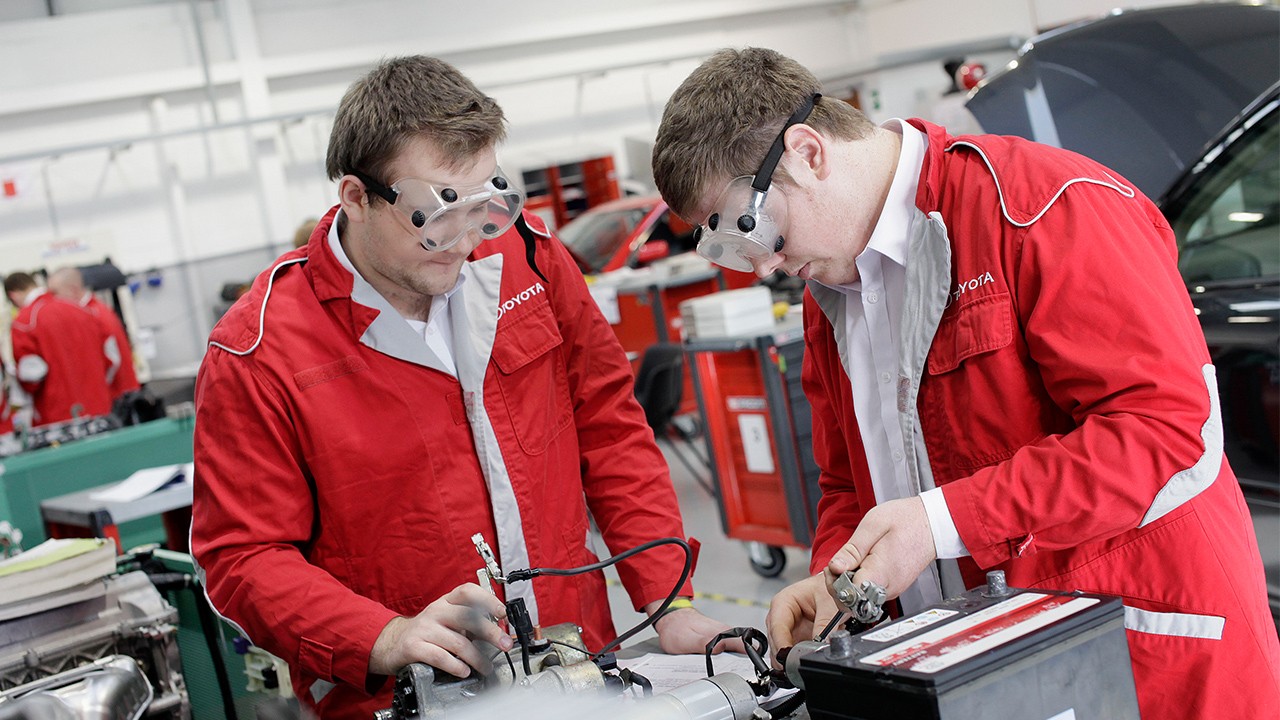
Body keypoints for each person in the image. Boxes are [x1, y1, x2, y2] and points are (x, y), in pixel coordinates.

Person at [651, 47, 1280, 718]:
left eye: (755, 228)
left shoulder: (1043, 208)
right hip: (1000, 673)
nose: (767, 263)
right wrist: (836, 575)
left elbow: (1161, 431)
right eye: (732, 251)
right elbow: (847, 482)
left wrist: (940, 521)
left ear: (808, 152)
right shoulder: (832, 294)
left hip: (1141, 659)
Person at [190, 56, 733, 718]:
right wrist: (384, 636)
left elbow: (609, 428)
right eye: (434, 213)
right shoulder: (261, 348)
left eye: (483, 204)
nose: (463, 240)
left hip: (579, 668)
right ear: (356, 198)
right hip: (406, 700)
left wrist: (666, 602)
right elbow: (244, 557)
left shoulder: (527, 262)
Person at [4, 272, 115, 427]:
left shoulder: (25, 322)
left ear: (13, 296)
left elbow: (31, 377)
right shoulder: (82, 310)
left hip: (58, 418)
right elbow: (112, 359)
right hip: (101, 411)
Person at [47, 266, 140, 401]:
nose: (53, 300)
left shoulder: (93, 315)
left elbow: (112, 361)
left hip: (116, 398)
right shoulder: (94, 311)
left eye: (55, 293)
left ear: (73, 289)